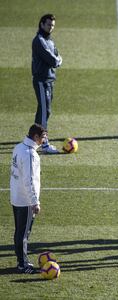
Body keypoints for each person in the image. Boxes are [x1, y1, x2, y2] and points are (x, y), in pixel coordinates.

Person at [10, 124, 47, 273]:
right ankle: (23, 264)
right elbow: (29, 181)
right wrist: (34, 202)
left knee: (19, 232)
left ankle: (20, 260)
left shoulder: (18, 147)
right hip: (25, 201)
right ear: (36, 137)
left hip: (16, 197)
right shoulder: (30, 154)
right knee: (23, 234)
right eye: (43, 137)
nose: (44, 140)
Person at [32, 14, 62, 154]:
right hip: (41, 81)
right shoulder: (39, 41)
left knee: (43, 111)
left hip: (49, 80)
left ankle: (34, 138)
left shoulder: (49, 40)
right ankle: (44, 144)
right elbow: (53, 59)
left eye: (53, 25)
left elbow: (57, 54)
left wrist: (57, 60)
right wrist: (57, 61)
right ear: (42, 24)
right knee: (45, 112)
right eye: (49, 24)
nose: (51, 28)